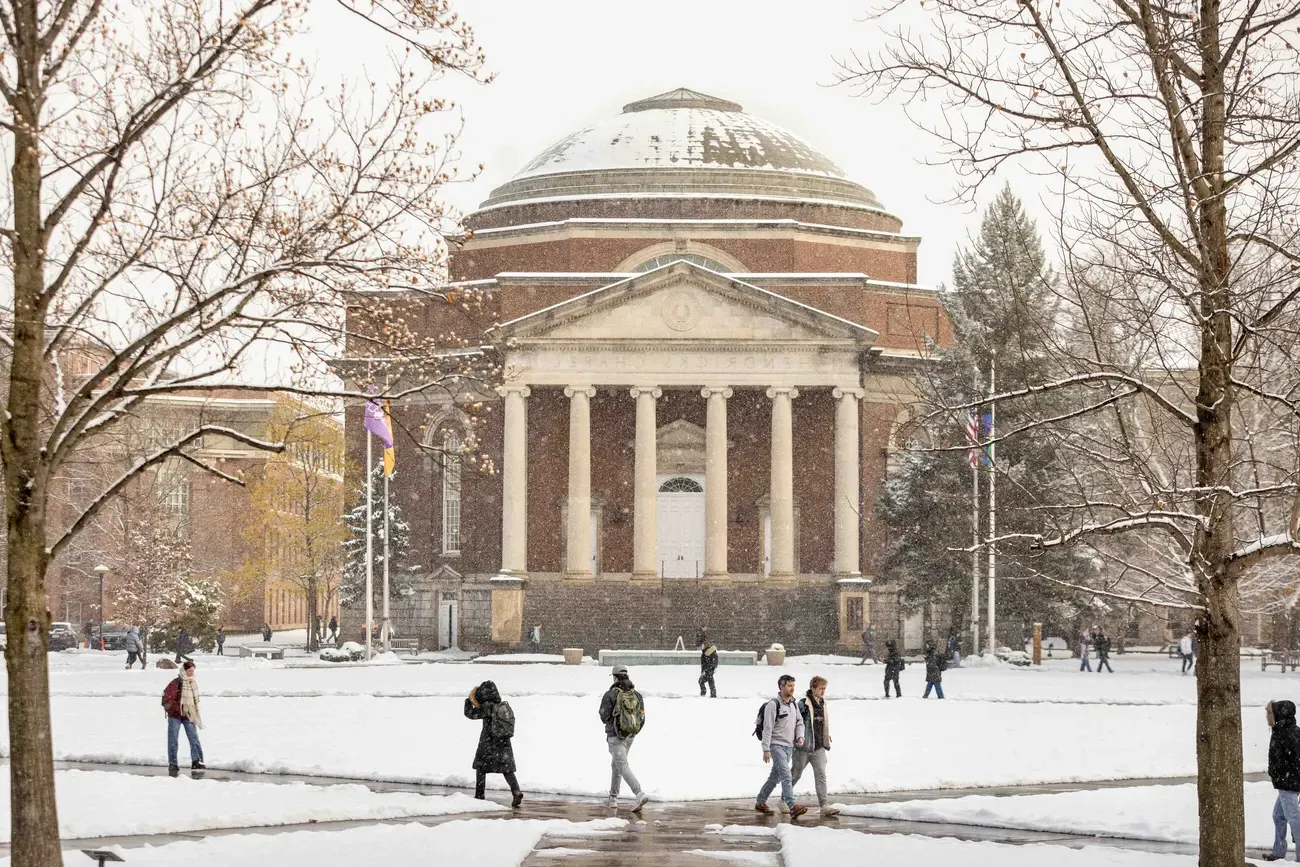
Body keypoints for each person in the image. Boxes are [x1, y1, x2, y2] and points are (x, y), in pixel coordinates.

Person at [464, 680, 523, 808]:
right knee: (507, 770)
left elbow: (470, 714)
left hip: (488, 743)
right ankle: (516, 791)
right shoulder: (501, 706)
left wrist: (468, 701)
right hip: (503, 742)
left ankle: (479, 796)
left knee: (481, 768)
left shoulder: (487, 707)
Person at [755, 673, 807, 818]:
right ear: (781, 686)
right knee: (786, 774)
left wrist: (800, 736)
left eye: (793, 685)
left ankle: (760, 801)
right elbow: (768, 728)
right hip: (776, 746)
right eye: (789, 686)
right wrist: (766, 749)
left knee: (774, 778)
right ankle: (792, 806)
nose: (792, 688)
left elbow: (800, 722)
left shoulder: (793, 704)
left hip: (789, 747)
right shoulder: (773, 705)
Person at [599, 664, 649, 812]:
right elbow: (642, 717)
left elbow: (603, 716)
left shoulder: (611, 694)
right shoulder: (637, 695)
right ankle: (613, 798)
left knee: (621, 765)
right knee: (617, 765)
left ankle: (639, 793)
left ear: (615, 677)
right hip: (630, 736)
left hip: (615, 736)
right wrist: (632, 730)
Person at [792, 675, 838, 817]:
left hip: (818, 747)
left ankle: (824, 805)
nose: (823, 691)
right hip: (803, 748)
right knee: (795, 774)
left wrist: (825, 740)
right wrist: (797, 739)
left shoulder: (823, 703)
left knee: (821, 775)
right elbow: (794, 723)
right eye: (821, 689)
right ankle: (784, 799)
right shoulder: (802, 704)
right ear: (813, 688)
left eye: (825, 689)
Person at [1266, 700, 1300, 861]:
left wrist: (1278, 775)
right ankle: (1278, 852)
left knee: (1294, 818)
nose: (1268, 717)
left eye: (1271, 713)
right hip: (1288, 782)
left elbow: (1284, 760)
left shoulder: (1284, 734)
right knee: (1278, 816)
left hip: (1288, 784)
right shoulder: (1291, 731)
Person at [161, 660, 205, 776]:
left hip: (188, 714)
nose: (191, 673)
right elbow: (167, 698)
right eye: (189, 671)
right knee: (173, 740)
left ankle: (197, 761)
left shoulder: (191, 683)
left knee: (194, 738)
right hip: (175, 716)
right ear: (184, 671)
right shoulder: (176, 683)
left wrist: (187, 710)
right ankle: (173, 763)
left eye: (192, 671)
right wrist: (178, 709)